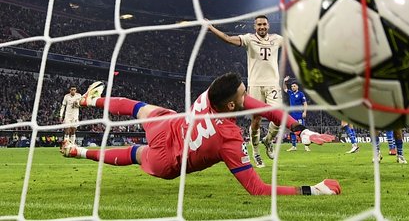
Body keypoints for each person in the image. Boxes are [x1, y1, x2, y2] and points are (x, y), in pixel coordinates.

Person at [60, 73, 341, 196]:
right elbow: (258, 190)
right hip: (167, 157)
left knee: (139, 108)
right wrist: (312, 190)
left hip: (171, 125)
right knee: (135, 153)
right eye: (243, 95)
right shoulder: (229, 140)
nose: (247, 98)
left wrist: (299, 129)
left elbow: (265, 109)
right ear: (231, 105)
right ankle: (78, 150)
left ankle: (88, 101)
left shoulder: (210, 94)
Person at [207, 16, 283, 168]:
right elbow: (228, 39)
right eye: (259, 24)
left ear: (268, 25)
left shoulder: (277, 39)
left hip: (272, 85)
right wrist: (210, 27)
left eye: (264, 24)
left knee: (279, 118)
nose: (262, 27)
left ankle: (268, 140)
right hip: (255, 85)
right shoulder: (248, 39)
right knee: (256, 120)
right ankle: (256, 152)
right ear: (255, 26)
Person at [283, 76, 309, 152]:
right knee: (292, 130)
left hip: (299, 115)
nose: (293, 87)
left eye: (294, 86)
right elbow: (284, 88)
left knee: (302, 130)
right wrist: (284, 81)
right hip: (292, 115)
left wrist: (304, 112)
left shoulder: (301, 94)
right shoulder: (290, 93)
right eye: (292, 86)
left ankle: (306, 146)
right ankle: (294, 146)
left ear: (297, 86)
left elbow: (305, 103)